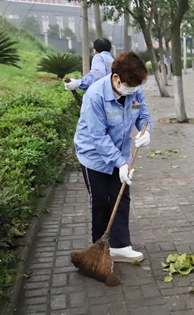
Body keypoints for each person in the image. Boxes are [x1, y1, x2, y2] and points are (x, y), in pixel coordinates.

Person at [74, 51, 153, 263]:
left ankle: (120, 246)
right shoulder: (95, 95)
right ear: (116, 78)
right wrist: (121, 163)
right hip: (93, 156)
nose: (133, 90)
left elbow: (143, 116)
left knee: (121, 197)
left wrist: (146, 132)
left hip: (122, 153)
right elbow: (98, 137)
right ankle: (99, 249)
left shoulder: (135, 89)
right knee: (101, 201)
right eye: (130, 85)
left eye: (136, 86)